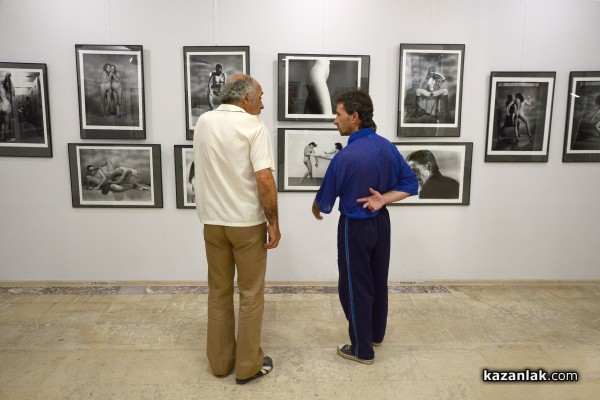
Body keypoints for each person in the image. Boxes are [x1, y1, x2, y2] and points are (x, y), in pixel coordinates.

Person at [311, 89, 418, 365]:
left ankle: (361, 348)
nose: (335, 120)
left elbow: (323, 203)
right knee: (377, 279)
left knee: (354, 285)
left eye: (339, 114)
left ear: (354, 117)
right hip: (382, 224)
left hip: (354, 228)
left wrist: (316, 209)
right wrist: (383, 199)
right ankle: (375, 335)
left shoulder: (345, 158)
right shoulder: (386, 147)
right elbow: (410, 184)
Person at [193, 74, 280, 384]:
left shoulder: (203, 122)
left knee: (218, 293)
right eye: (259, 96)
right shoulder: (253, 127)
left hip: (212, 224)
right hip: (245, 224)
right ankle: (247, 366)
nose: (262, 103)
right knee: (251, 295)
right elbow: (264, 180)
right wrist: (274, 222)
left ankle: (219, 363)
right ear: (245, 99)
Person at [0, 71, 15, 141]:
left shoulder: (2, 89)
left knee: (3, 123)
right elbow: (5, 80)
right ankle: (6, 138)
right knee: (6, 123)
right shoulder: (2, 88)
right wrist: (7, 75)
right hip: (5, 107)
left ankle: (3, 137)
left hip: (2, 107)